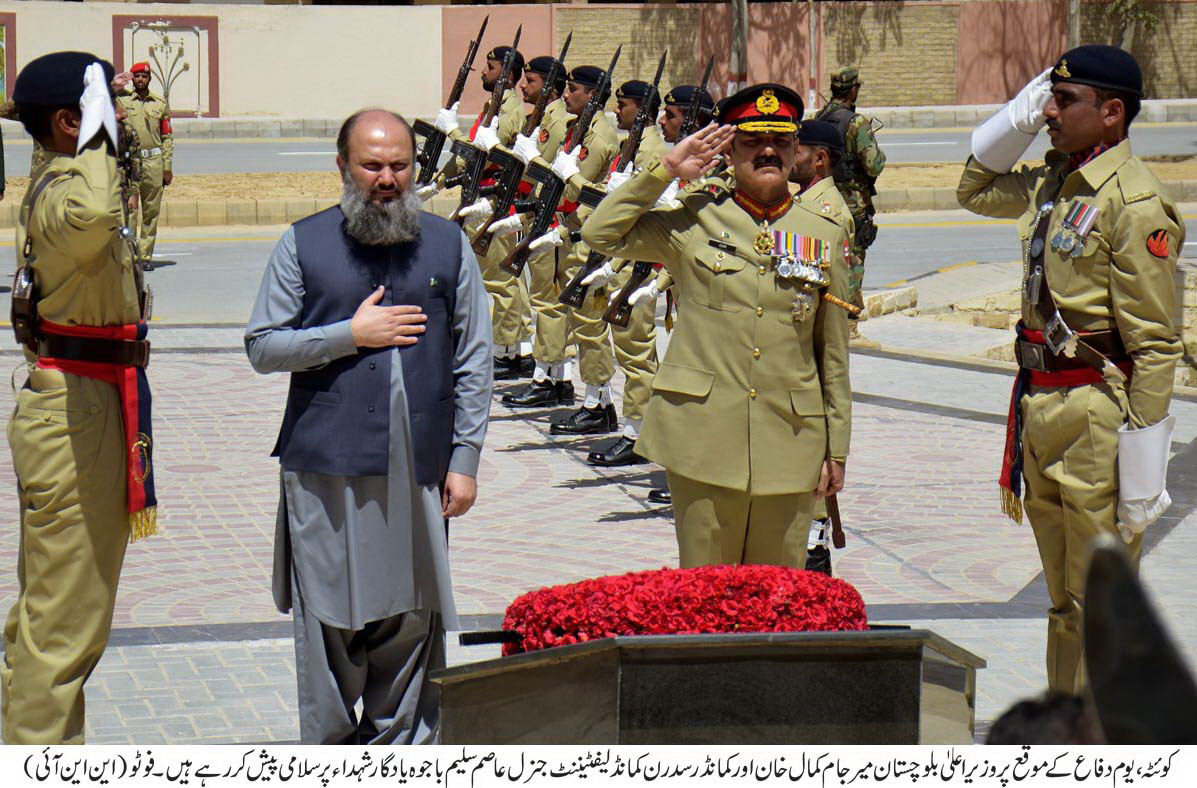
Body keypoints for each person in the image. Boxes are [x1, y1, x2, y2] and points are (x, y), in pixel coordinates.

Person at [245, 109, 492, 744]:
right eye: (372, 165)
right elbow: (263, 345)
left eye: (400, 165)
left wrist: (464, 459)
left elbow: (474, 356)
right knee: (329, 619)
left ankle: (402, 755)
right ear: (342, 166)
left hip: (421, 474)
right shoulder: (303, 242)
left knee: (412, 619)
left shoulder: (446, 242)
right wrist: (347, 336)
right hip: (326, 470)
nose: (387, 178)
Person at [957, 45, 1184, 694]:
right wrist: (1019, 120)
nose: (1049, 110)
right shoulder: (1054, 181)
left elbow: (1155, 344)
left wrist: (1141, 458)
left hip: (1096, 416)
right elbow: (972, 189)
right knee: (1063, 604)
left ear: (1111, 112)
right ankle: (1066, 726)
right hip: (1042, 407)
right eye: (1047, 100)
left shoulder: (1134, 203)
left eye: (1063, 100)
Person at [582, 84, 852, 568]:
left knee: (775, 601)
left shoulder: (824, 231)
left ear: (796, 150)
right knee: (705, 598)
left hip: (790, 441)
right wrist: (665, 169)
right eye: (751, 141)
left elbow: (831, 353)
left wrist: (837, 449)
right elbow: (599, 232)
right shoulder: (693, 218)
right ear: (729, 149)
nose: (767, 151)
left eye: (779, 141)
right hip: (703, 438)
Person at [3, 51, 157, 745]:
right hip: (76, 415)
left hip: (85, 403)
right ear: (72, 123)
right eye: (105, 112)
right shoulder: (72, 191)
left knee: (48, 616)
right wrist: (98, 141)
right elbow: (96, 211)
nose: (121, 123)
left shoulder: (60, 177)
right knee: (64, 627)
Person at [551, 78, 669, 442]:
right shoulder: (626, 146)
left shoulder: (651, 152)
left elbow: (638, 208)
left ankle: (640, 432)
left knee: (634, 349)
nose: (617, 110)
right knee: (594, 327)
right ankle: (598, 402)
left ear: (642, 110)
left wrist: (573, 177)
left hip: (632, 266)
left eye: (625, 105)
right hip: (608, 261)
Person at [501, 65, 619, 410]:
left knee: (586, 321)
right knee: (548, 305)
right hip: (557, 228)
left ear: (592, 95)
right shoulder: (574, 129)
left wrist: (533, 158)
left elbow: (575, 186)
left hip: (578, 235)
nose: (565, 95)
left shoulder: (598, 138)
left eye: (573, 89)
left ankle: (599, 403)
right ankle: (551, 376)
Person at [429, 44, 525, 381]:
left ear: (508, 76)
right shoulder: (491, 107)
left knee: (501, 282)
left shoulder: (512, 112)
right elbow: (468, 157)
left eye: (491, 68)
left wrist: (453, 134)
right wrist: (437, 182)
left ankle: (509, 351)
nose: (483, 73)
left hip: (493, 204)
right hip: (473, 200)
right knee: (475, 278)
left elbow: (489, 154)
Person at [792, 119, 856, 573]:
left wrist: (838, 448)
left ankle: (815, 544)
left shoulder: (829, 214)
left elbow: (833, 340)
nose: (787, 155)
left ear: (820, 158)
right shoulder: (801, 203)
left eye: (797, 148)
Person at [814, 67, 884, 339]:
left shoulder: (818, 118)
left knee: (823, 258)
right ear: (853, 90)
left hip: (822, 199)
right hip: (853, 203)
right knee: (852, 261)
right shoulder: (857, 123)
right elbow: (874, 164)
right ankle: (849, 325)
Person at [116, 62, 172, 267]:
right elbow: (100, 99)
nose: (140, 80)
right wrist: (115, 85)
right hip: (130, 161)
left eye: (144, 77)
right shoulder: (122, 100)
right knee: (130, 210)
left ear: (150, 79)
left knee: (151, 210)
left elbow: (167, 137)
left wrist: (167, 166)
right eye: (137, 76)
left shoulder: (159, 103)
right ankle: (130, 254)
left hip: (153, 161)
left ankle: (145, 256)